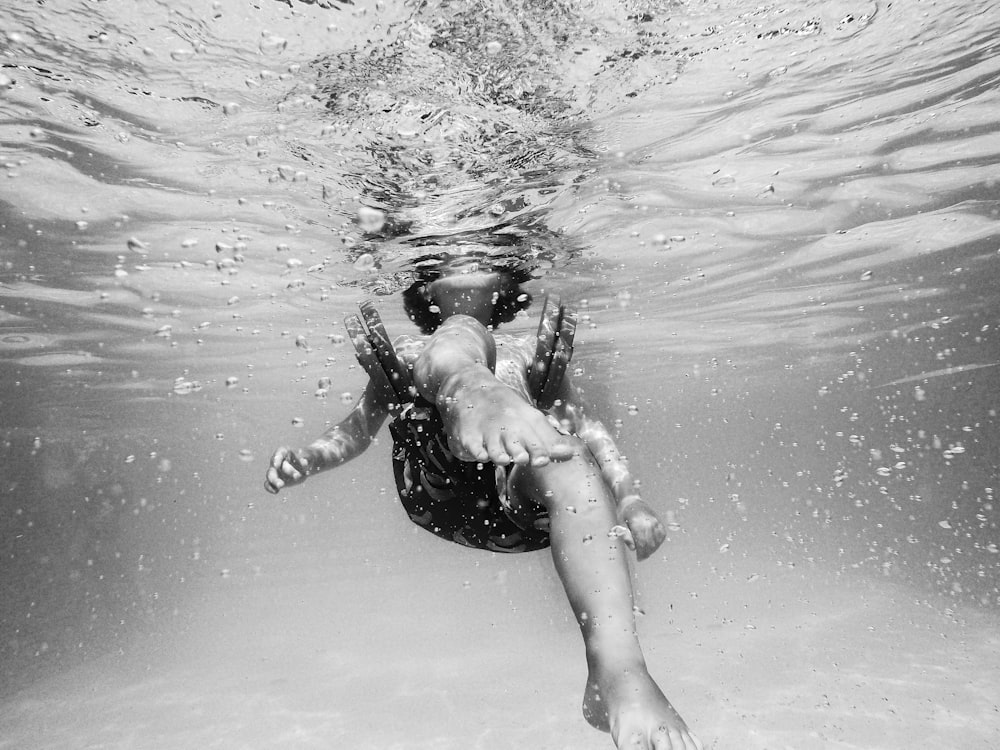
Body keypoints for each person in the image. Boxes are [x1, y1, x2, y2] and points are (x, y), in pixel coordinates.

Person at [264, 259, 703, 750]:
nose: (466, 260)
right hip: (436, 490)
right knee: (459, 337)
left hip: (526, 509)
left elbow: (587, 428)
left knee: (568, 458)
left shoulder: (526, 354)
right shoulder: (416, 351)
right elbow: (357, 429)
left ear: (506, 289)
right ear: (421, 293)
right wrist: (308, 459)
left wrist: (631, 498)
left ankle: (619, 674)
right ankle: (466, 387)